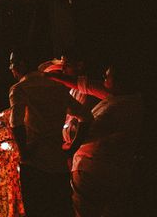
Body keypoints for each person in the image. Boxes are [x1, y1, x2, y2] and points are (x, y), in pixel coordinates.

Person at [46, 63, 143, 217]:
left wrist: (62, 109)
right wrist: (55, 77)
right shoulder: (122, 98)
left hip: (95, 173)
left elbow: (84, 133)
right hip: (103, 171)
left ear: (121, 82)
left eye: (107, 76)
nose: (103, 77)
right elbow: (86, 85)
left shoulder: (119, 108)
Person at [9, 48, 90, 217]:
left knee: (38, 209)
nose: (11, 68)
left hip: (35, 162)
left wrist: (24, 153)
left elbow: (16, 124)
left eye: (12, 63)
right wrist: (72, 148)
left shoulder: (20, 88)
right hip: (58, 162)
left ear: (22, 64)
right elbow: (86, 117)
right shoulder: (57, 86)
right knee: (60, 209)